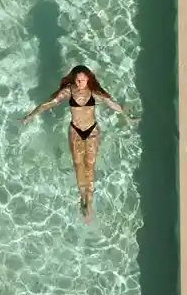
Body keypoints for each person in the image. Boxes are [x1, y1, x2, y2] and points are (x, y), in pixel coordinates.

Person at [22, 65, 130, 219]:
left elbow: (112, 104)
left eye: (83, 80)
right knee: (78, 164)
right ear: (74, 79)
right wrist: (30, 116)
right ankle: (82, 197)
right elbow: (48, 103)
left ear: (88, 79)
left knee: (89, 166)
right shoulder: (68, 91)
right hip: (75, 131)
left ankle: (89, 202)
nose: (80, 83)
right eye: (78, 80)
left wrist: (127, 117)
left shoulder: (93, 92)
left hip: (92, 131)